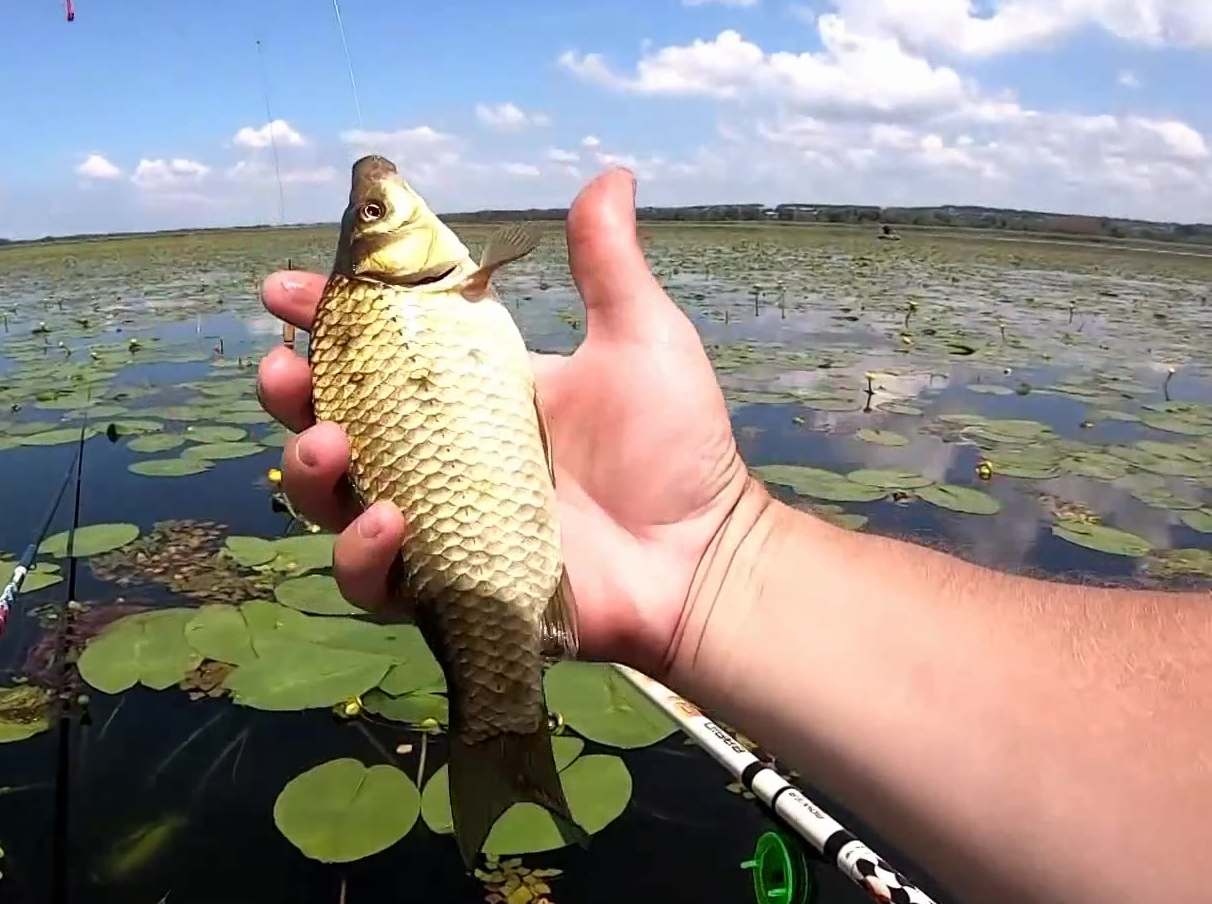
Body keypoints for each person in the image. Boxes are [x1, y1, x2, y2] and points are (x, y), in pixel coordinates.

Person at [254, 167, 1210, 904]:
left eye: (370, 205)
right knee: (378, 499)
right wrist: (720, 561)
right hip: (493, 508)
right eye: (375, 211)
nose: (380, 197)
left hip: (512, 501)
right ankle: (500, 726)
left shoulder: (401, 305)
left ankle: (499, 726)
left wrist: (714, 547)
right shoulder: (403, 305)